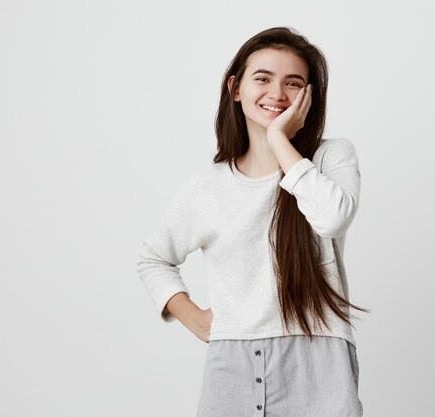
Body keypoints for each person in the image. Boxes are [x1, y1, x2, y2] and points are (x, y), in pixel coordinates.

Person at [136, 26, 370, 417]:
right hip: (232, 364)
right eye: (263, 78)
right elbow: (153, 258)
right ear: (236, 88)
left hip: (317, 359)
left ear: (310, 96)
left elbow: (332, 219)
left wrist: (280, 140)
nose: (277, 93)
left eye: (293, 83)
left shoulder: (330, 160)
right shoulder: (208, 187)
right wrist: (195, 319)